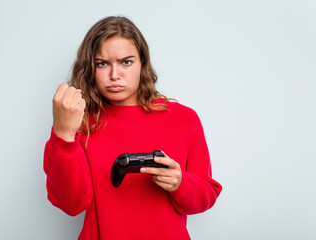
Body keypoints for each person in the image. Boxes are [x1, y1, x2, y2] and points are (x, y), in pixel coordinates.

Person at [43, 16, 222, 240]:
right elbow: (72, 205)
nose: (114, 75)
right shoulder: (79, 122)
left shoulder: (183, 119)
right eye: (102, 63)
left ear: (142, 63)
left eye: (126, 62)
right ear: (90, 68)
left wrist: (180, 182)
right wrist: (63, 134)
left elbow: (207, 196)